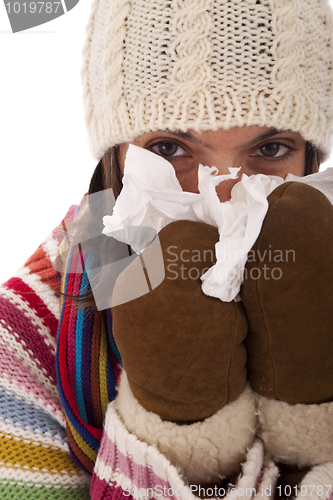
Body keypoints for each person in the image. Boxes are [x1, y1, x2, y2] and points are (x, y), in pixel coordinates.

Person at [1, 0, 333, 499]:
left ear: (311, 156)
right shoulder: (25, 344)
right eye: (169, 150)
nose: (220, 194)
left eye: (269, 150)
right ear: (116, 155)